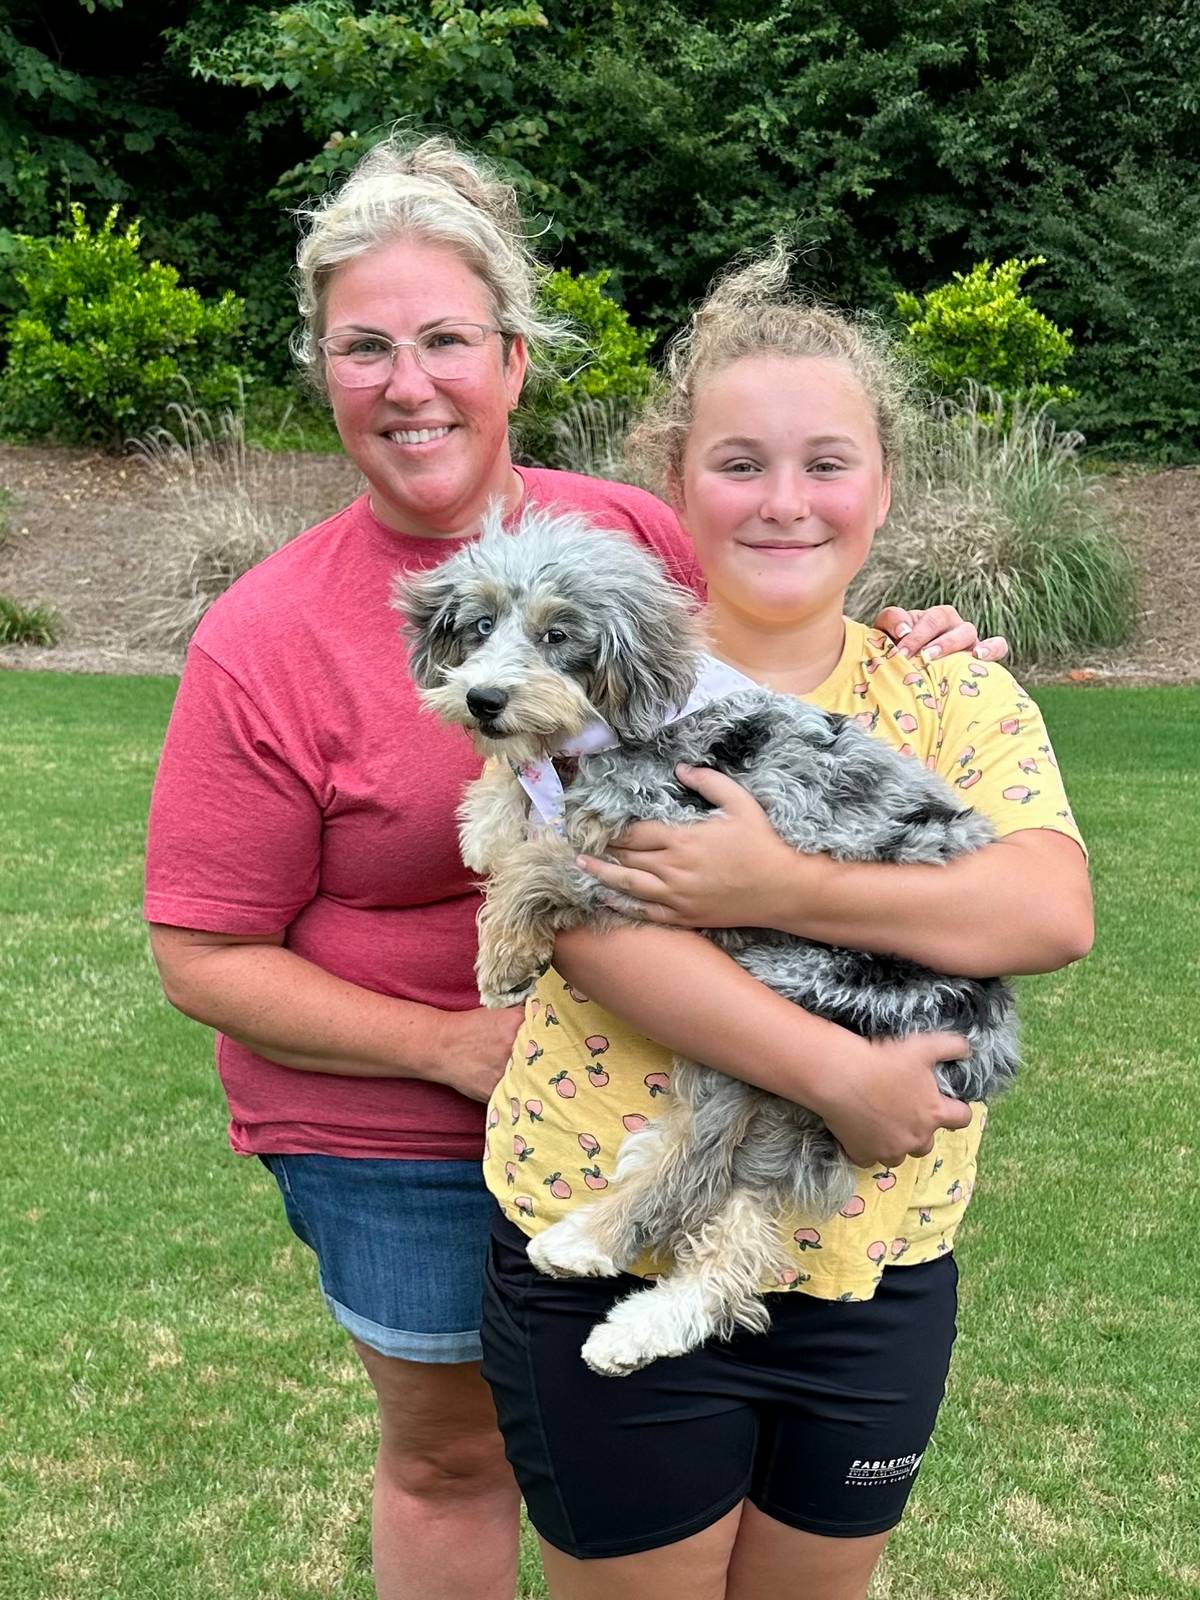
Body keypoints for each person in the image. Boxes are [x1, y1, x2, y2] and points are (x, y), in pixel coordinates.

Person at [144, 135, 1009, 1600]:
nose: (408, 381)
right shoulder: (265, 635)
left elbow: (783, 607)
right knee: (454, 1458)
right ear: (323, 371)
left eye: (444, 340)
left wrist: (921, 642)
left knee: (647, 1447)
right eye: (365, 347)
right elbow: (201, 954)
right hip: (395, 1118)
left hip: (651, 1057)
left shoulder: (621, 539)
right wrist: (444, 1044)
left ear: (514, 357)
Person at [478, 248, 1093, 1600]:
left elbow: (1046, 910)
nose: (785, 501)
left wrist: (781, 890)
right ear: (676, 480)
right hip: (607, 1233)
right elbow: (584, 921)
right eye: (740, 462)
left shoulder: (957, 697)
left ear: (883, 482)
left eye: (827, 462)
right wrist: (835, 1075)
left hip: (875, 1261)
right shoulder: (593, 676)